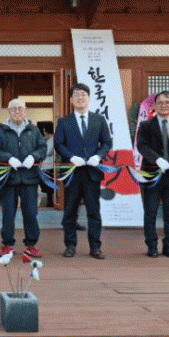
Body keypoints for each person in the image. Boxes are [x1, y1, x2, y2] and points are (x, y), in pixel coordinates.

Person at [54, 83, 112, 259]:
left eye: (83, 95)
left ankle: (95, 247)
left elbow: (107, 142)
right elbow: (58, 144)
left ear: (89, 98)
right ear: (71, 100)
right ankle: (70, 245)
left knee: (93, 211)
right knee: (70, 211)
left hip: (92, 173)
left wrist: (99, 156)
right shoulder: (64, 122)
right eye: (76, 95)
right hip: (72, 172)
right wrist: (71, 157)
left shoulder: (98, 119)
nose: (80, 98)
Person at [0, 99, 47, 257]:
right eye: (14, 108)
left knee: (31, 213)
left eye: (21, 108)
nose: (17, 111)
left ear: (25, 111)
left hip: (30, 179)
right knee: (8, 213)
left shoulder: (33, 130)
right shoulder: (1, 131)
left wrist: (34, 157)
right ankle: (7, 244)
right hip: (9, 178)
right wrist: (8, 158)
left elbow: (42, 148)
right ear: (8, 111)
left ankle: (31, 245)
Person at [136, 91, 169, 258]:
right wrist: (157, 159)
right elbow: (142, 146)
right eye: (160, 102)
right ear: (154, 106)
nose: (164, 105)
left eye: (168, 102)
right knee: (150, 211)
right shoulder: (145, 126)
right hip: (152, 175)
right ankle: (151, 246)